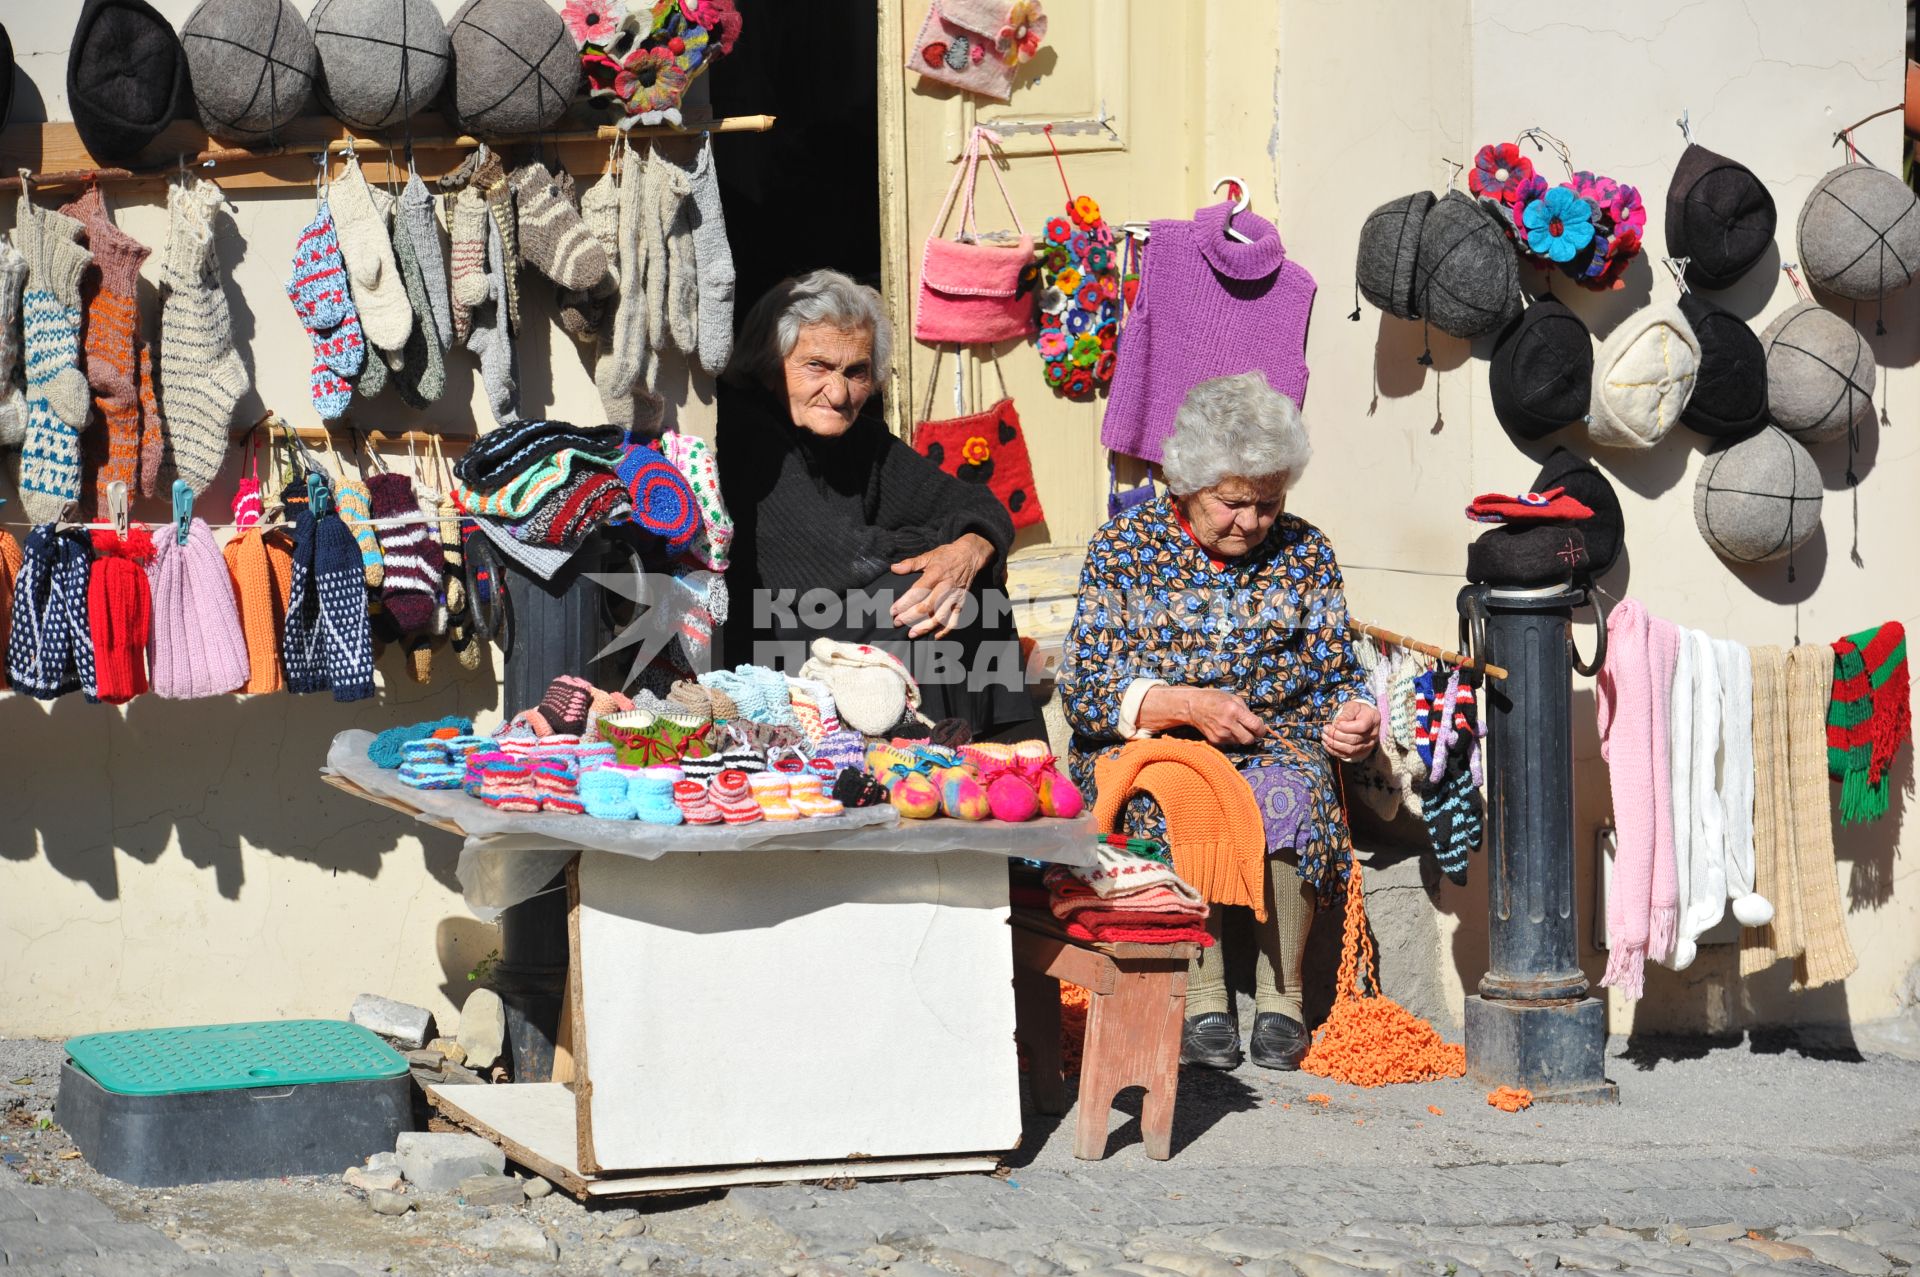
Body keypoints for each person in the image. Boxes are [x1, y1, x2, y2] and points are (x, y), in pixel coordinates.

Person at [1059, 371, 1380, 1071]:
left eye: (1269, 503)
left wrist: (1354, 718)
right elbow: (1084, 686)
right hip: (1155, 746)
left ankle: (1282, 997)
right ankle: (1201, 992)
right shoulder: (1124, 550)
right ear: (1186, 483)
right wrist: (1183, 703)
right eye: (1233, 503)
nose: (1252, 522)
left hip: (1274, 742)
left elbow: (1337, 676)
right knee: (1179, 794)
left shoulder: (1305, 552)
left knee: (1291, 790)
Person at [715, 269, 1042, 741]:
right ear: (770, 364)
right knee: (925, 595)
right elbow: (840, 558)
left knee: (969, 582)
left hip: (840, 619)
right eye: (817, 366)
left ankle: (1010, 753)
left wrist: (968, 548)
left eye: (856, 372)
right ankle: (934, 757)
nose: (840, 392)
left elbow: (976, 503)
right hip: (773, 636)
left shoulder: (860, 441)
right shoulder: (749, 431)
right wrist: (937, 549)